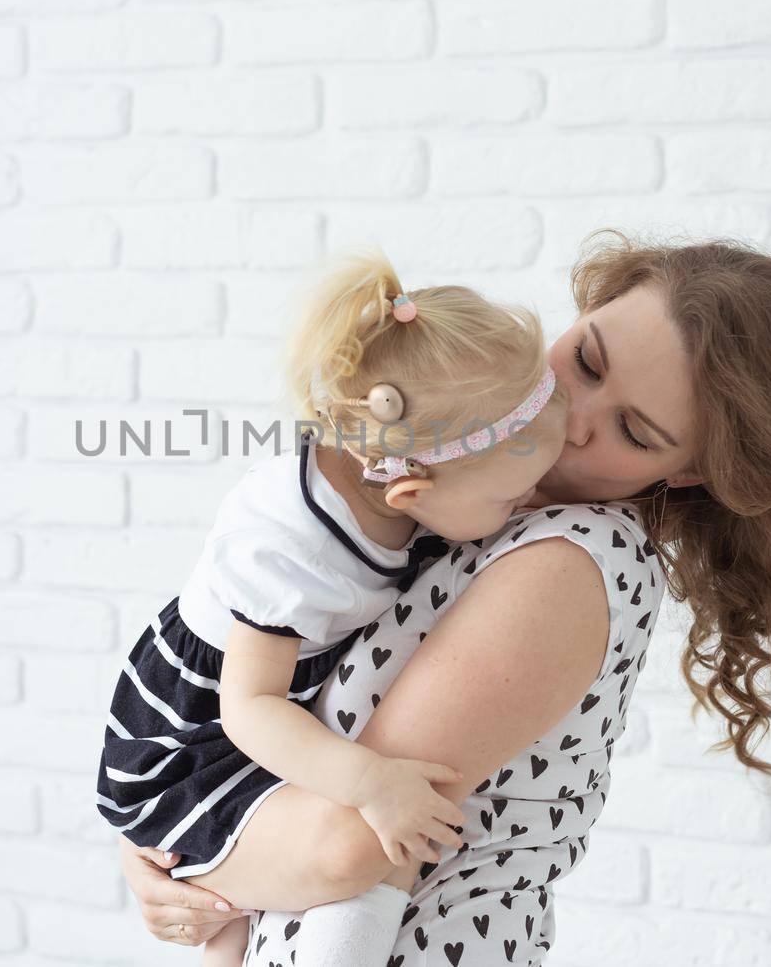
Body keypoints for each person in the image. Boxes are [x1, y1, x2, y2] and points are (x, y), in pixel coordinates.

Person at [116, 232, 771, 966]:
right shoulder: (460, 495)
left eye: (634, 430)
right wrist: (178, 849)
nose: (576, 418)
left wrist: (202, 861)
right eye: (586, 361)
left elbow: (349, 846)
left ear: (688, 473)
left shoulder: (574, 554)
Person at [96, 246, 574, 966]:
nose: (529, 505)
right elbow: (248, 709)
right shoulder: (285, 541)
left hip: (275, 715)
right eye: (512, 499)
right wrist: (371, 781)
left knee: (246, 917)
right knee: (334, 858)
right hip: (197, 740)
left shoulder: (407, 476)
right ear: (412, 495)